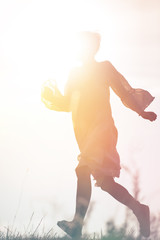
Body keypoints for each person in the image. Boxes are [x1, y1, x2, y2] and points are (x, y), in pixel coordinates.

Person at [41, 31, 157, 239]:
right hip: (84, 132)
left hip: (101, 128)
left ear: (93, 48)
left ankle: (77, 224)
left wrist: (142, 112)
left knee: (83, 169)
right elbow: (68, 104)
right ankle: (140, 210)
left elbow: (124, 93)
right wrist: (53, 97)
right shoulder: (74, 73)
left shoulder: (104, 68)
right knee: (105, 182)